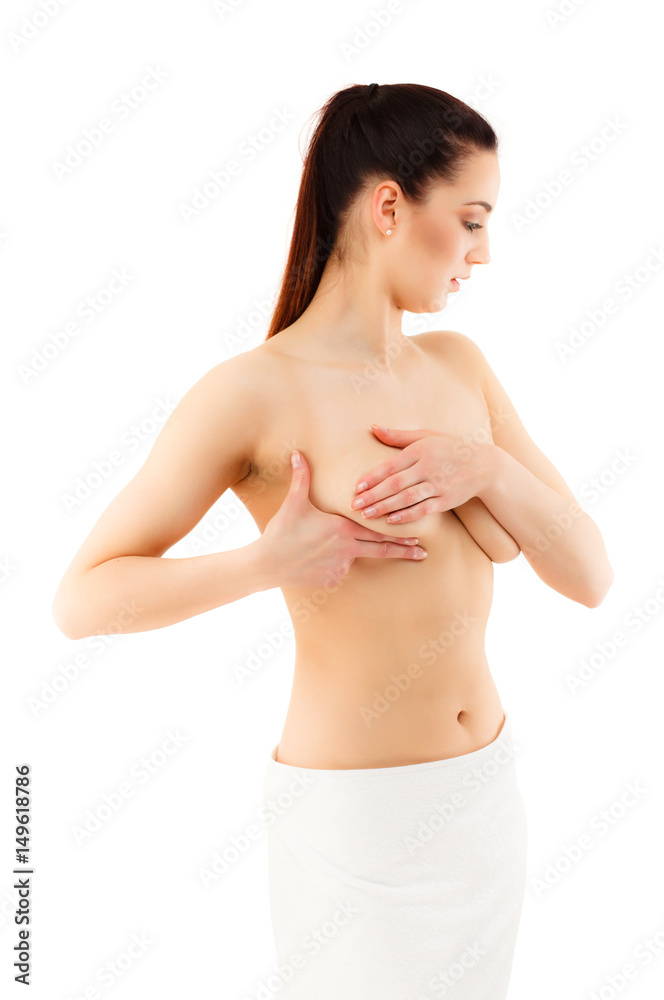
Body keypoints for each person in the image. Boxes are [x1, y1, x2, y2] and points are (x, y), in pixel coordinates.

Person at [52, 82, 614, 999]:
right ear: (389, 205)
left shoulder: (459, 366)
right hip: (355, 828)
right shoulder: (250, 391)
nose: (483, 251)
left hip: (483, 799)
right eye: (470, 220)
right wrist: (266, 563)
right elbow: (80, 601)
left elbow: (589, 575)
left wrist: (483, 470)